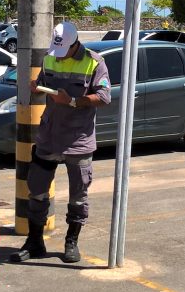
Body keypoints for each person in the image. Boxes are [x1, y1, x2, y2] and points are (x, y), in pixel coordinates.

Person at [11, 21, 111, 264]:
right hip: (48, 138)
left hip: (78, 141)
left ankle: (71, 242)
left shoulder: (94, 62)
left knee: (78, 196)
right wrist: (36, 88)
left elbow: (104, 97)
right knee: (37, 191)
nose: (59, 54)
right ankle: (35, 242)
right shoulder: (50, 58)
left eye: (63, 49)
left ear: (75, 43)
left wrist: (75, 101)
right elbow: (44, 85)